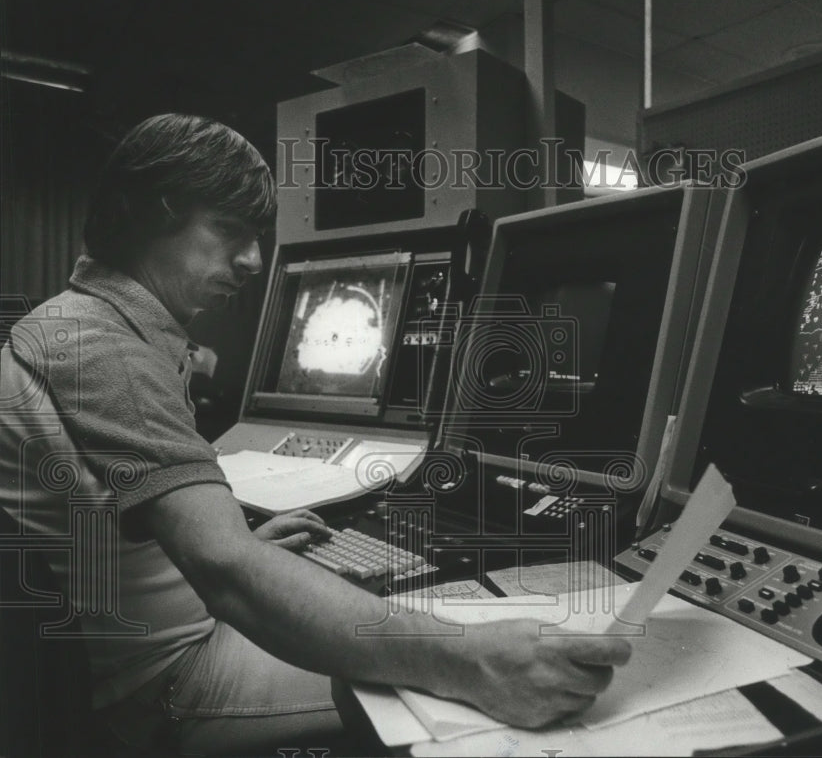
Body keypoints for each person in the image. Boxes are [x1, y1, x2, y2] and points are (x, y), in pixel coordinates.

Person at [0, 114, 631, 755]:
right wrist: (471, 663)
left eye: (258, 236)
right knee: (505, 698)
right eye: (228, 229)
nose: (252, 260)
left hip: (154, 642)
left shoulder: (74, 326)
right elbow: (228, 574)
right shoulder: (105, 349)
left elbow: (168, 546)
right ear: (141, 216)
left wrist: (230, 543)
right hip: (166, 686)